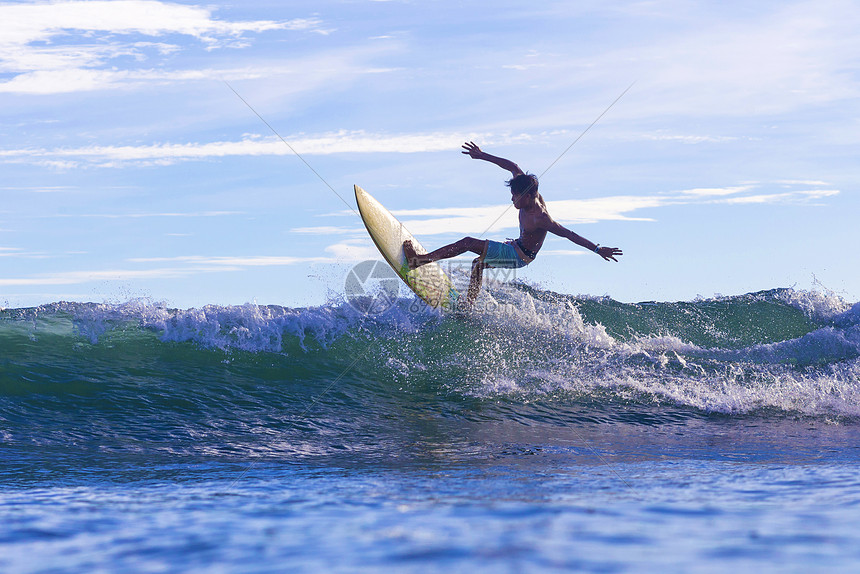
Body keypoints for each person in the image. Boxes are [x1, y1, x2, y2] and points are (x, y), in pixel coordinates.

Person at [404, 141, 623, 308]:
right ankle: (468, 306)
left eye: (515, 197)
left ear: (527, 197)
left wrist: (596, 248)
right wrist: (481, 156)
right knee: (477, 264)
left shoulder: (540, 217)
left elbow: (569, 234)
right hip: (517, 246)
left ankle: (418, 261)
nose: (512, 200)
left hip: (520, 255)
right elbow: (512, 165)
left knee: (468, 242)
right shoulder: (524, 185)